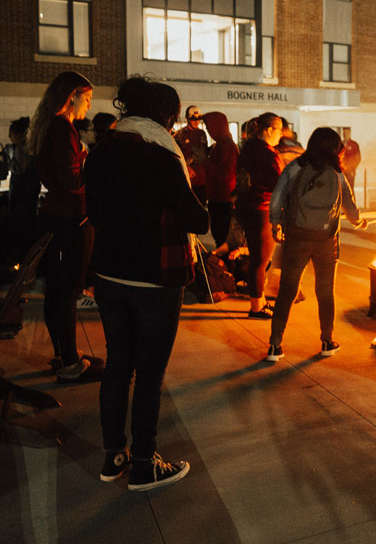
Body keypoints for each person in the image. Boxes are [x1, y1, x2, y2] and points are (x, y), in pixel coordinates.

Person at [85, 75, 209, 491]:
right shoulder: (161, 155)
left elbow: (96, 211)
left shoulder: (101, 151)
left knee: (118, 365)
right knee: (150, 374)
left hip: (108, 274)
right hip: (155, 278)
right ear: (166, 114)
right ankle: (143, 464)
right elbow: (196, 220)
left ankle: (112, 455)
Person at [266, 127, 366, 360]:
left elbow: (277, 198)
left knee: (287, 291)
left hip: (297, 237)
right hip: (326, 241)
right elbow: (349, 205)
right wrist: (358, 221)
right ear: (335, 149)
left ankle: (274, 345)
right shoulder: (336, 172)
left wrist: (275, 224)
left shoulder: (294, 167)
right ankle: (327, 341)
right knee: (325, 292)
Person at [28, 70, 101, 382]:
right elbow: (72, 180)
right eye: (86, 99)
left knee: (58, 290)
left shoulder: (51, 126)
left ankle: (63, 354)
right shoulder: (62, 129)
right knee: (68, 291)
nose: (88, 107)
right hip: (72, 218)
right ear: (72, 96)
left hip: (58, 215)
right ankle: (70, 364)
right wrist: (95, 171)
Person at [236, 112, 284, 318]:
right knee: (261, 259)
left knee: (258, 257)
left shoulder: (249, 147)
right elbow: (280, 185)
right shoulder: (268, 154)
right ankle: (256, 306)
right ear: (268, 130)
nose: (281, 134)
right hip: (261, 209)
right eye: (279, 129)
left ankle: (261, 301)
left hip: (246, 206)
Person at [1, 117, 41, 264]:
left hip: (22, 201)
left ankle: (20, 264)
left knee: (20, 234)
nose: (10, 137)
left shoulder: (22, 148)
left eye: (11, 133)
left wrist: (6, 159)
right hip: (27, 199)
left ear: (19, 134)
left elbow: (18, 168)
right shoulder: (29, 147)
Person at [203, 111, 239, 248]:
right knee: (221, 238)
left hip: (223, 200)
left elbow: (224, 174)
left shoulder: (226, 146)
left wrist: (205, 161)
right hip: (219, 199)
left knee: (223, 240)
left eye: (209, 128)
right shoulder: (221, 144)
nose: (208, 131)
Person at [174, 105, 209, 205]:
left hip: (202, 179)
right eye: (193, 119)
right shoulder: (180, 134)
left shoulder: (202, 133)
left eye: (198, 119)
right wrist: (186, 166)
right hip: (187, 179)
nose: (196, 122)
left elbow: (204, 153)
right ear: (187, 118)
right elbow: (176, 156)